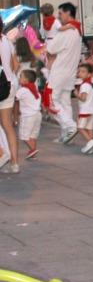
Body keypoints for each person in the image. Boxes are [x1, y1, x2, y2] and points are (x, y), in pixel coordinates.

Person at [45, 2, 82, 145]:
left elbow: (51, 48)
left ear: (68, 13)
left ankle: (70, 126)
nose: (59, 17)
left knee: (50, 101)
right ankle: (66, 134)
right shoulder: (77, 30)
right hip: (70, 71)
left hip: (59, 71)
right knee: (65, 102)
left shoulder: (66, 31)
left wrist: (59, 31)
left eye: (60, 13)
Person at [0, 18, 19, 172]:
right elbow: (16, 65)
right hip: (9, 86)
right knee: (8, 125)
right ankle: (14, 163)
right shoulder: (7, 40)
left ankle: (2, 154)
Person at [15, 69, 41, 160]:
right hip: (37, 115)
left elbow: (15, 98)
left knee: (24, 135)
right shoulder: (35, 89)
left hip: (28, 116)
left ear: (25, 80)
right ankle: (32, 155)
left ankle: (33, 150)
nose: (19, 78)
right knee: (33, 135)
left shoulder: (23, 90)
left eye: (21, 77)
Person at [74, 61, 93, 153]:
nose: (80, 73)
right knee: (89, 128)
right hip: (91, 110)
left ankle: (90, 142)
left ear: (89, 74)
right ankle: (90, 147)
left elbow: (83, 98)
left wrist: (76, 94)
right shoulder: (89, 84)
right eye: (79, 71)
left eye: (83, 71)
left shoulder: (85, 85)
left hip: (85, 110)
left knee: (80, 128)